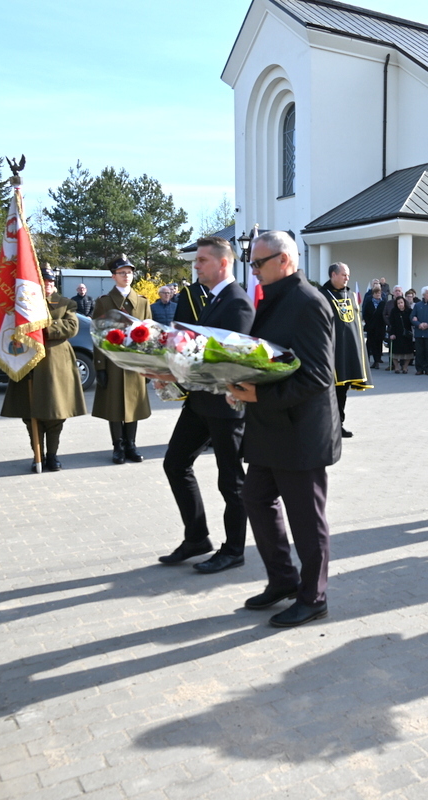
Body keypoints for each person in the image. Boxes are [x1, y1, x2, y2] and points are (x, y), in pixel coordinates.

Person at [227, 231, 340, 628]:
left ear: (284, 260)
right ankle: (283, 580)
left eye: (258, 263)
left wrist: (259, 395)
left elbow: (317, 377)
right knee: (255, 498)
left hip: (300, 432)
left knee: (306, 519)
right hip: (271, 429)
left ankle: (314, 598)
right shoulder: (274, 298)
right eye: (251, 264)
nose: (253, 270)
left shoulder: (309, 302)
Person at [159, 236, 256, 573]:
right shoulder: (213, 298)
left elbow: (228, 361)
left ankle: (234, 550)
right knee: (175, 463)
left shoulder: (238, 303)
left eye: (202, 260)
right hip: (201, 402)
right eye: (196, 260)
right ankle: (197, 538)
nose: (196, 266)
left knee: (231, 481)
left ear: (223, 263)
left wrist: (175, 371)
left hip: (225, 404)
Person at [0, 267, 87, 472]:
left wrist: (41, 327)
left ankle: (52, 455)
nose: (47, 285)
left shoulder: (65, 303)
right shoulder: (23, 305)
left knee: (56, 413)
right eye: (43, 281)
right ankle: (37, 456)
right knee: (31, 415)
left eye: (50, 281)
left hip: (56, 363)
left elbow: (71, 327)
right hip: (28, 361)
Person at [92, 255, 152, 464]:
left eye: (129, 272)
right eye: (122, 272)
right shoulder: (104, 302)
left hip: (135, 362)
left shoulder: (142, 302)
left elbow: (150, 334)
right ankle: (118, 446)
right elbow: (97, 335)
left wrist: (149, 364)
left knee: (134, 403)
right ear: (113, 276)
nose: (126, 276)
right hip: (113, 362)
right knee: (114, 405)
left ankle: (131, 445)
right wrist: (100, 366)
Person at [321, 262, 372, 437]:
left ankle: (339, 424)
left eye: (348, 275)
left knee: (342, 391)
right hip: (331, 353)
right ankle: (326, 426)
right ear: (333, 275)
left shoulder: (350, 295)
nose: (347, 278)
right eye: (344, 275)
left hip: (348, 350)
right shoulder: (322, 296)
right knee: (329, 392)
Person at [361, 283, 388, 369]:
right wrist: (368, 322)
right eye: (376, 293)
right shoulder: (369, 303)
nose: (378, 295)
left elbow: (385, 314)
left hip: (380, 327)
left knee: (378, 344)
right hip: (371, 327)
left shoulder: (383, 303)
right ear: (373, 294)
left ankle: (377, 361)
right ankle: (367, 361)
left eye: (379, 293)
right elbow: (365, 313)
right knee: (370, 344)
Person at [387, 295, 414, 373]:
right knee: (395, 352)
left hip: (406, 334)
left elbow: (412, 322)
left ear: (404, 303)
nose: (400, 304)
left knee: (408, 352)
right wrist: (392, 334)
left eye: (401, 302)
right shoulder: (394, 311)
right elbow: (392, 324)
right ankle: (397, 367)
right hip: (396, 334)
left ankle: (405, 367)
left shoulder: (409, 311)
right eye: (398, 303)